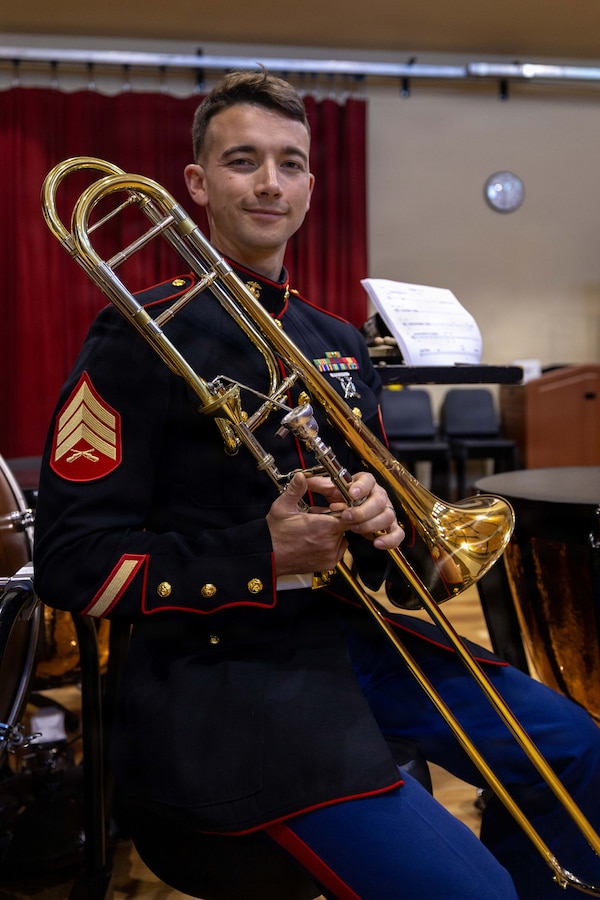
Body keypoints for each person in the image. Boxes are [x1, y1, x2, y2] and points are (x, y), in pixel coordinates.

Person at [33, 71, 600, 900]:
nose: (269, 182)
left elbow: (375, 568)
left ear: (309, 185)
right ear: (197, 184)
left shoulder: (335, 342)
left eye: (290, 163)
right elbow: (74, 561)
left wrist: (381, 525)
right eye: (242, 160)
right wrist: (258, 551)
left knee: (576, 745)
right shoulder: (136, 333)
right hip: (227, 671)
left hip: (352, 639)